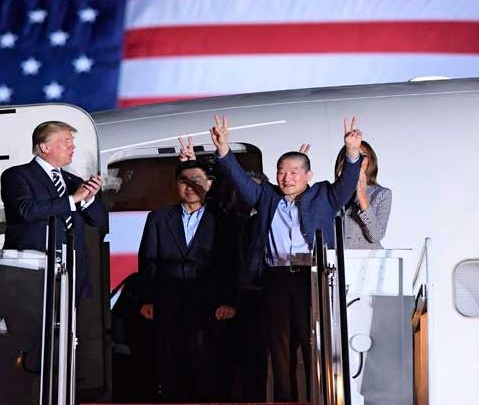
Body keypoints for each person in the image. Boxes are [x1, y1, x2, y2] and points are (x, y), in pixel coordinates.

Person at [210, 115, 364, 401]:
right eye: (281, 171)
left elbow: (347, 185)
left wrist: (352, 152)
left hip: (312, 279)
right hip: (276, 279)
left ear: (308, 175)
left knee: (313, 344)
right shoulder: (266, 196)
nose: (286, 177)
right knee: (280, 349)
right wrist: (223, 149)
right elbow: (240, 180)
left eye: (294, 171)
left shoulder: (323, 195)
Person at [137, 157, 237, 402]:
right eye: (183, 180)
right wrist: (147, 299)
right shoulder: (158, 218)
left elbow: (232, 264)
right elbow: (148, 261)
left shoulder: (223, 220)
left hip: (209, 306)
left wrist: (229, 301)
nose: (190, 186)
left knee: (206, 368)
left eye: (197, 180)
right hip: (168, 305)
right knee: (169, 367)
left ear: (209, 184)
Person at [0, 121, 105, 298]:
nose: (73, 146)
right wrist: (73, 199)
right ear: (45, 147)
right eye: (66, 141)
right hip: (33, 271)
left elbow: (99, 220)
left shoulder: (74, 180)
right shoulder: (17, 175)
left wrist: (87, 199)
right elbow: (26, 210)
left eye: (72, 141)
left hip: (73, 273)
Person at [334, 140, 391, 249]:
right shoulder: (330, 193)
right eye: (353, 155)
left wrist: (362, 197)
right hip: (336, 258)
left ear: (370, 161)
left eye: (363, 156)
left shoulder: (381, 194)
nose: (358, 159)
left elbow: (376, 236)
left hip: (366, 258)